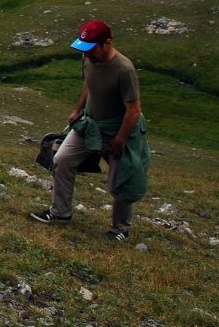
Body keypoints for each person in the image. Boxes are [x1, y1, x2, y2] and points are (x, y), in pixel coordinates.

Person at [30, 19, 151, 241]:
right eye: (83, 51)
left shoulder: (124, 70)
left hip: (118, 131)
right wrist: (78, 110)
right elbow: (89, 83)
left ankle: (120, 229)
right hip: (91, 124)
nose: (87, 56)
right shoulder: (88, 60)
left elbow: (134, 110)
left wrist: (121, 139)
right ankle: (60, 212)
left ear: (107, 43)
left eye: (91, 50)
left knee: (122, 178)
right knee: (62, 159)